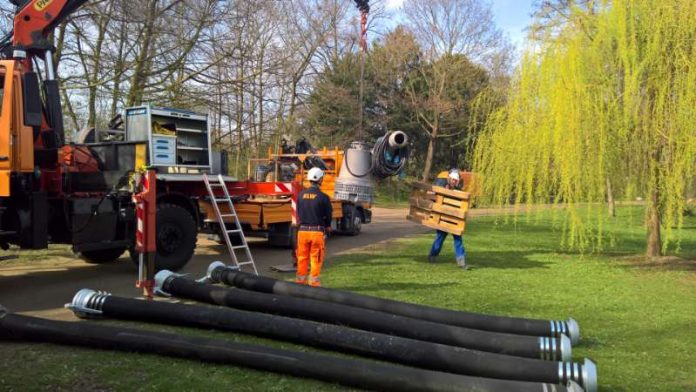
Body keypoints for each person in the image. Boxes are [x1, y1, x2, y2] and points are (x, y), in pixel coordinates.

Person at [296, 167, 333, 286]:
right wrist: (328, 226)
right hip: (316, 232)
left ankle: (300, 281)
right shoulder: (324, 197)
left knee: (302, 258)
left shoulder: (300, 195)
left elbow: (298, 212)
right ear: (320, 179)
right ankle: (314, 283)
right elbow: (328, 215)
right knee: (315, 258)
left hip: (302, 232)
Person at [428, 169, 469, 269]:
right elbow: (433, 196)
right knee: (440, 237)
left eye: (456, 180)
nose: (454, 181)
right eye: (453, 179)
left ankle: (461, 262)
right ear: (449, 178)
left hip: (454, 218)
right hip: (442, 217)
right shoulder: (441, 184)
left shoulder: (459, 188)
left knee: (458, 239)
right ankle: (432, 255)